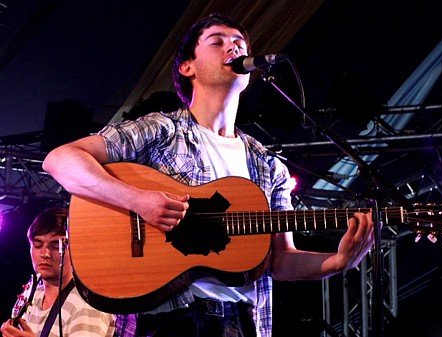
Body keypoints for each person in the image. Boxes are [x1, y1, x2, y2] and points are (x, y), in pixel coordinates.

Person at [41, 12, 374, 337]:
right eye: (218, 42)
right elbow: (60, 159)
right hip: (169, 321)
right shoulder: (163, 130)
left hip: (242, 325)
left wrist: (336, 262)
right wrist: (138, 200)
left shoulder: (269, 165)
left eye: (239, 43)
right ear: (188, 67)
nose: (234, 48)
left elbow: (281, 260)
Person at [1, 207, 115, 337]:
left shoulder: (88, 304)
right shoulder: (36, 292)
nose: (45, 254)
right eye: (38, 245)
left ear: (75, 250)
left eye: (56, 247)